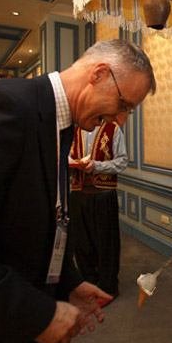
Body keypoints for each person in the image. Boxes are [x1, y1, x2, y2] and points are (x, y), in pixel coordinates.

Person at [0, 39, 155, 343]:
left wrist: (68, 282)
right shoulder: (1, 105)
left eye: (128, 112)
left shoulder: (60, 124)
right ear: (98, 74)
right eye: (123, 105)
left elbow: (34, 223)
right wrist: (35, 315)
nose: (120, 119)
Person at [68, 121, 127, 308]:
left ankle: (109, 287)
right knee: (82, 243)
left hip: (103, 194)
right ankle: (89, 283)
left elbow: (122, 161)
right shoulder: (74, 131)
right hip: (78, 193)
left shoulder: (113, 129)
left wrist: (97, 166)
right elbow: (66, 156)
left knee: (106, 243)